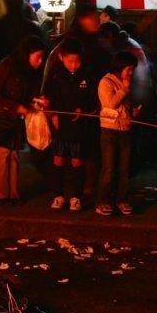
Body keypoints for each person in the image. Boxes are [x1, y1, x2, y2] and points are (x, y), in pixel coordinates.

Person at [0, 36, 48, 202]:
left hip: (18, 119)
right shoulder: (7, 65)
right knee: (2, 154)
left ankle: (12, 193)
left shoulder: (32, 72)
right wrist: (13, 106)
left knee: (14, 155)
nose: (40, 61)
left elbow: (29, 94)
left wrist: (36, 101)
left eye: (42, 57)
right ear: (27, 54)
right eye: (38, 57)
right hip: (3, 117)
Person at [46, 38, 99, 212]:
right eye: (70, 61)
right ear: (62, 57)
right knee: (58, 160)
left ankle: (75, 197)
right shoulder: (55, 73)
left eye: (77, 61)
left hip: (79, 126)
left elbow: (94, 100)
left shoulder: (88, 74)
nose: (74, 65)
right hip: (60, 123)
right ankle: (58, 195)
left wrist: (82, 109)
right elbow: (48, 96)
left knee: (77, 161)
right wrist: (50, 111)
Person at [95, 51, 140, 216]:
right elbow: (110, 105)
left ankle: (122, 199)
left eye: (132, 69)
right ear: (119, 67)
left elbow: (123, 107)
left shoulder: (125, 81)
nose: (131, 73)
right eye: (128, 69)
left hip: (126, 129)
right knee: (108, 168)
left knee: (124, 168)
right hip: (109, 130)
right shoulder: (106, 82)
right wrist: (124, 89)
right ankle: (102, 201)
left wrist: (132, 112)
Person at [0, 0, 44, 68]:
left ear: (6, 5)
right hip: (27, 70)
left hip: (4, 70)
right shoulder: (32, 27)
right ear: (22, 5)